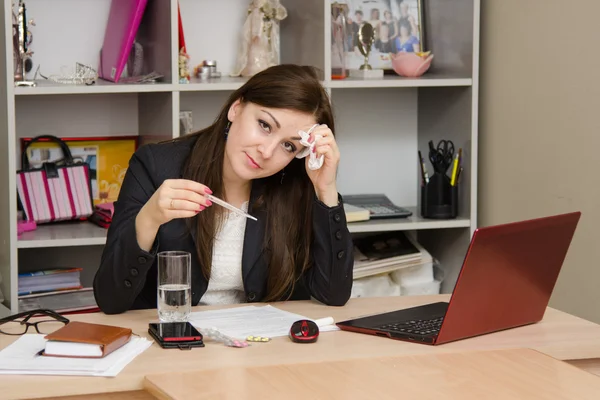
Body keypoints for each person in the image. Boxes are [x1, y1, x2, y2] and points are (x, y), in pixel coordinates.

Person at [93, 64, 354, 314]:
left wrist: (326, 191)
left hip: (260, 347)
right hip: (172, 344)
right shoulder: (154, 166)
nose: (266, 152)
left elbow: (333, 294)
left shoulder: (296, 181)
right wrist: (149, 219)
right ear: (236, 108)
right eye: (264, 125)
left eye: (289, 146)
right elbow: (110, 299)